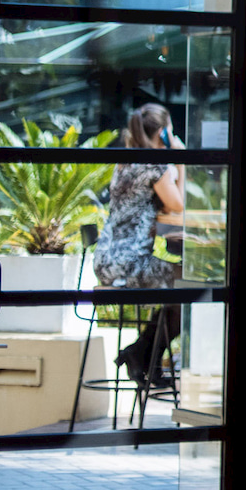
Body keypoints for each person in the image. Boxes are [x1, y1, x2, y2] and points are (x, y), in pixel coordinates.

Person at [93, 103, 184, 383]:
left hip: (106, 261)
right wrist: (181, 158)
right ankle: (143, 352)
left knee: (182, 286)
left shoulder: (126, 162)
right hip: (130, 263)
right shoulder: (154, 166)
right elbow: (179, 205)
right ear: (164, 133)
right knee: (195, 282)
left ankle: (144, 355)